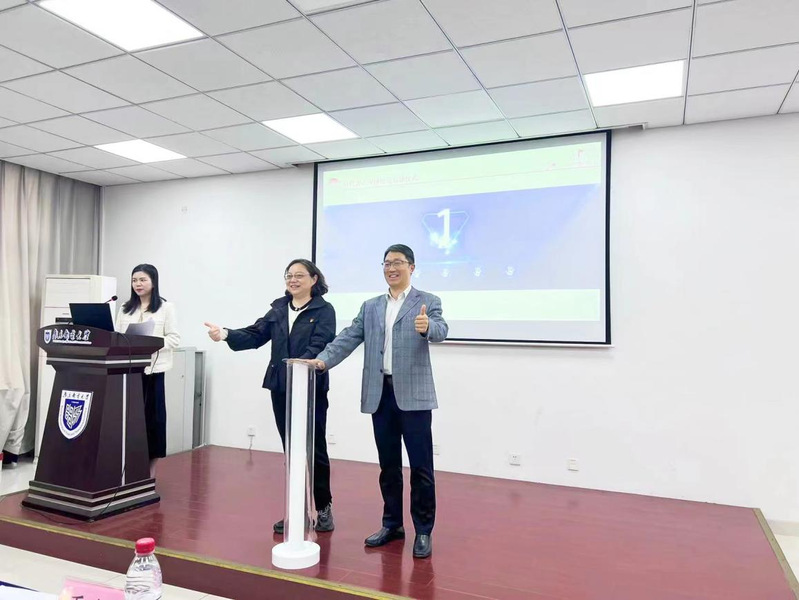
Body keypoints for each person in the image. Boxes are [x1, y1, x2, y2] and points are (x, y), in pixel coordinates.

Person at [305, 244, 448, 559]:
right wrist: (323, 360)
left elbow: (441, 329)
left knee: (421, 467)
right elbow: (348, 337)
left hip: (414, 396)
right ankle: (392, 524)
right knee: (388, 466)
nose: (391, 268)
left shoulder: (427, 301)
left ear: (412, 267)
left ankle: (423, 530)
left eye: (397, 262)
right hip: (380, 394)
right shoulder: (370, 307)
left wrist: (427, 328)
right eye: (386, 263)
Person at [204, 259, 336, 534]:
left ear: (314, 279)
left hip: (310, 386)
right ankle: (297, 510)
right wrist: (225, 334)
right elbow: (256, 335)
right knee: (291, 449)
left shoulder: (324, 310)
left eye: (299, 275)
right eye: (289, 275)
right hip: (280, 386)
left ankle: (323, 507)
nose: (293, 280)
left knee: (314, 449)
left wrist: (300, 365)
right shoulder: (278, 308)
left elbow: (321, 343)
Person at [116, 264, 180, 478]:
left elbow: (174, 338)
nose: (138, 284)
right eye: (134, 280)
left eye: (142, 280)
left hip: (153, 372)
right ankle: (127, 469)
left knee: (153, 421)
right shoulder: (125, 308)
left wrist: (150, 342)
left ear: (153, 282)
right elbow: (116, 336)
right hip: (127, 372)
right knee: (128, 422)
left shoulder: (166, 307)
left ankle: (150, 473)